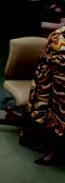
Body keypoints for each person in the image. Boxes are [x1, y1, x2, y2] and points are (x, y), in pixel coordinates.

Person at [25, 24, 65, 165]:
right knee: (50, 113)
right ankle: (49, 147)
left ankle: (55, 152)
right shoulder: (60, 35)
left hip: (59, 83)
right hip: (51, 79)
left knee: (59, 117)